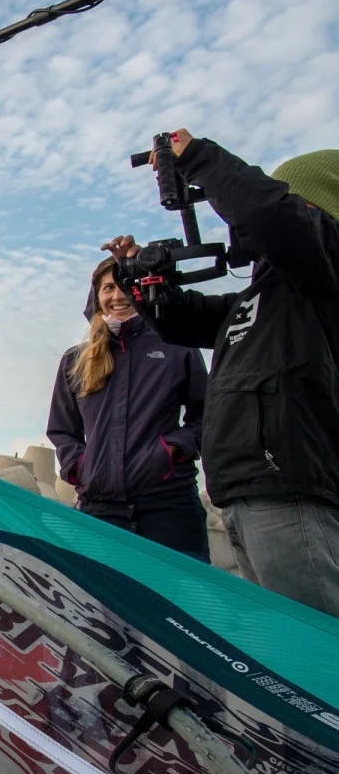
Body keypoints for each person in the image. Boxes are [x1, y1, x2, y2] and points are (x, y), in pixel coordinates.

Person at [102, 133, 339, 615]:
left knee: (315, 644)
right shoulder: (265, 296)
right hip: (247, 491)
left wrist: (198, 158)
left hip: (289, 490)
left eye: (291, 198)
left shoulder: (325, 264)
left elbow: (270, 215)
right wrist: (136, 277)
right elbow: (183, 321)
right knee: (283, 644)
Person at [47, 257, 210, 559]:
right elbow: (62, 430)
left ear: (142, 290)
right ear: (96, 297)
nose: (117, 295)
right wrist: (81, 467)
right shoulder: (75, 360)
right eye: (108, 288)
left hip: (169, 505)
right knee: (106, 591)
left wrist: (172, 450)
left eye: (126, 285)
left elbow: (208, 414)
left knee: (184, 588)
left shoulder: (177, 346)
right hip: (100, 510)